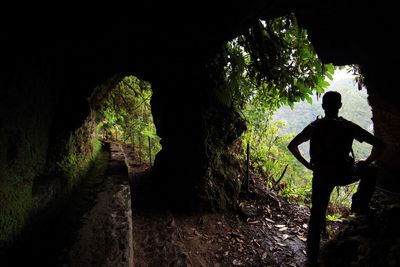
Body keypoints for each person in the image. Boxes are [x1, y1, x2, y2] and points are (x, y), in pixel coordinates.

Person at [287, 91, 386, 266]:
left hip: (321, 176)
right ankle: (360, 205)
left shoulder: (314, 126)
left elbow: (292, 145)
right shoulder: (348, 126)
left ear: (323, 106)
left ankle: (312, 258)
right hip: (344, 174)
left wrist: (307, 165)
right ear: (340, 106)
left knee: (316, 215)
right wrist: (366, 161)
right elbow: (380, 145)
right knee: (371, 170)